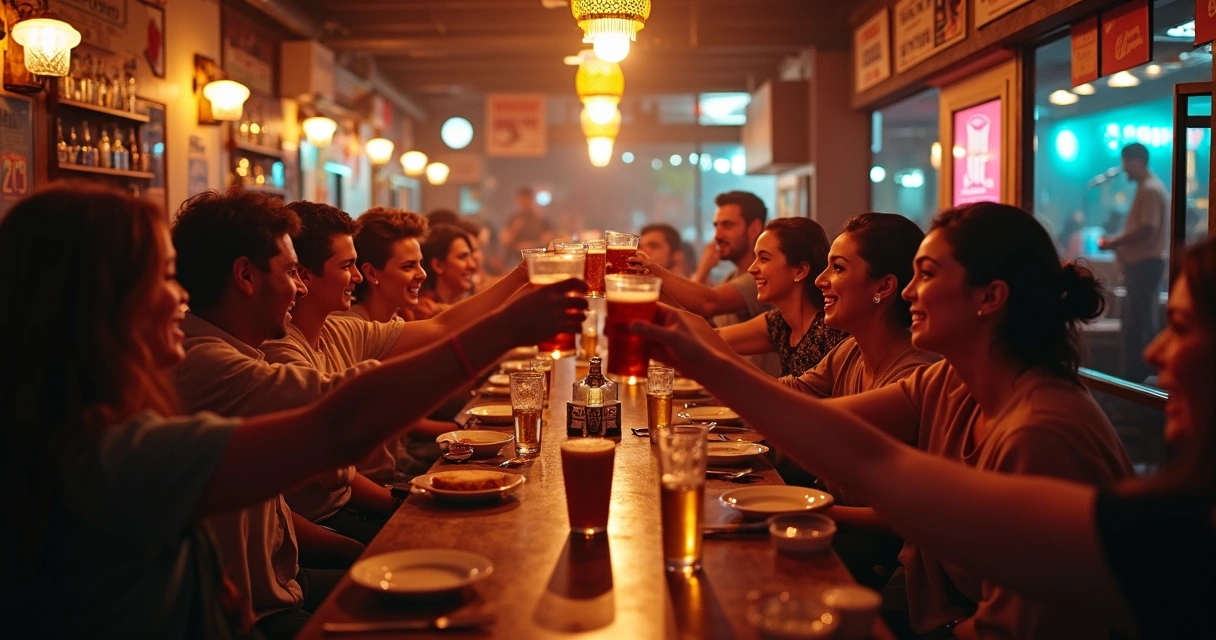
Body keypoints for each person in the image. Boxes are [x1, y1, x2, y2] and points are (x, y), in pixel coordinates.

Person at [0, 182, 587, 638]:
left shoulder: (91, 430)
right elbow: (339, 424)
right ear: (99, 302)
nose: (178, 295)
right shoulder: (120, 443)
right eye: (163, 275)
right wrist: (506, 328)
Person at [637, 235, 1216, 640]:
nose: (1153, 350)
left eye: (1182, 328)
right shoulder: (946, 379)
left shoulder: (1046, 433)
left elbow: (878, 470)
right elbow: (863, 450)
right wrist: (701, 355)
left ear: (990, 298)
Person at [631, 191, 780, 376]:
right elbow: (699, 324)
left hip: (756, 397)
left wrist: (654, 270)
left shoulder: (760, 280)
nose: (717, 235)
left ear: (754, 228)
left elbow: (709, 303)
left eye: (727, 225)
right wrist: (643, 281)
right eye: (716, 226)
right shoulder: (730, 277)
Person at [713, 217, 848, 378]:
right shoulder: (780, 324)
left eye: (764, 258)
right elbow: (715, 338)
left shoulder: (830, 332)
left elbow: (798, 396)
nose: (752, 269)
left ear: (800, 271)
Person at [1100, 142, 1169, 383]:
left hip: (1145, 265)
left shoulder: (1150, 189)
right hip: (1146, 265)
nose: (1124, 170)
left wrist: (1114, 242)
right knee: (1141, 324)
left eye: (1125, 163)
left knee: (1135, 326)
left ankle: (1134, 385)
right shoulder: (1149, 187)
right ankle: (1141, 383)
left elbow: (1146, 229)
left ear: (1136, 161)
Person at [346, 207, 428, 323]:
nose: (422, 274)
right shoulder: (351, 329)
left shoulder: (396, 322)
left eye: (420, 263)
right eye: (408, 266)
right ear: (371, 273)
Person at [419, 223, 477, 315]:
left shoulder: (456, 302)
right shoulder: (424, 310)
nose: (472, 265)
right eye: (462, 257)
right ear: (438, 265)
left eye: (471, 257)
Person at [501, 186, 553, 257]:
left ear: (531, 199)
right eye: (522, 200)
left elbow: (548, 239)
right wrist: (514, 229)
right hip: (516, 258)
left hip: (536, 257)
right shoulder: (514, 219)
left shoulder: (540, 219)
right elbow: (505, 241)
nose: (524, 202)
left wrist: (531, 246)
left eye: (526, 199)